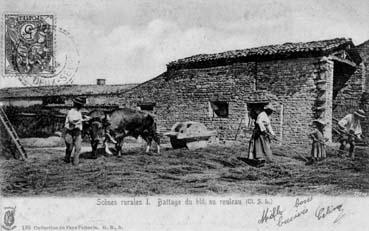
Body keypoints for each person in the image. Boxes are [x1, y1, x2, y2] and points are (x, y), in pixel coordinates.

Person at [64, 97, 89, 165]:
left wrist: (85, 118)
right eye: (80, 105)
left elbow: (79, 119)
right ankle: (67, 158)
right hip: (69, 131)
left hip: (77, 132)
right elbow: (72, 121)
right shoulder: (71, 112)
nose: (81, 106)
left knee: (78, 148)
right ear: (76, 105)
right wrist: (83, 120)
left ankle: (75, 163)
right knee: (70, 147)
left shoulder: (79, 112)